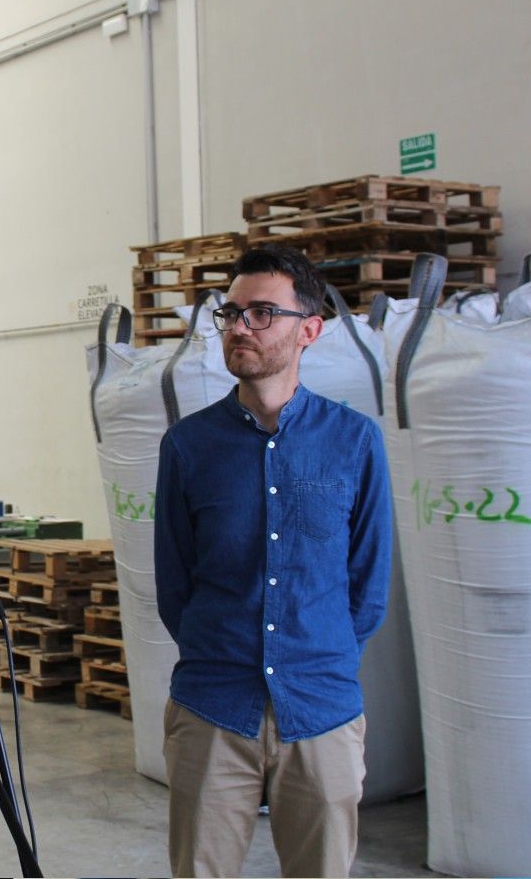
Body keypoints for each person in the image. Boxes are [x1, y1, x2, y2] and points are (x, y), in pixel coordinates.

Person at [153, 244, 392, 878]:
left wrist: (318, 654)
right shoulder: (188, 446)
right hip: (213, 706)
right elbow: (174, 583)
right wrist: (221, 650)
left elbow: (368, 586)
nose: (239, 328)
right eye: (230, 314)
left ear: (308, 330)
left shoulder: (354, 441)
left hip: (321, 710)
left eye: (261, 313)